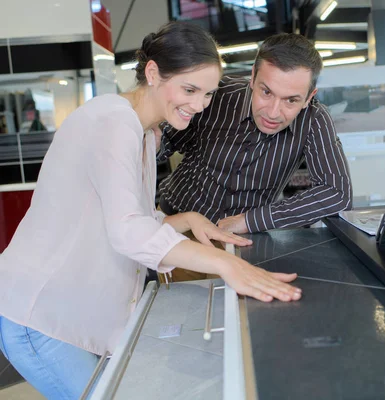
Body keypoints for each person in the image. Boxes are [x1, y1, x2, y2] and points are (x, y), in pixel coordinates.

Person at [0, 22, 301, 400]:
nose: (198, 105)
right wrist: (227, 265)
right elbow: (128, 231)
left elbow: (131, 216)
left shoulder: (146, 132)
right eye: (189, 90)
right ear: (153, 73)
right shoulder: (113, 121)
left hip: (69, 308)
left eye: (207, 94)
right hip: (39, 312)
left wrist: (186, 220)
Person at [157, 33, 352, 235]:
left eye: (291, 100)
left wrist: (250, 221)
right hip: (174, 221)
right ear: (252, 77)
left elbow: (337, 194)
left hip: (240, 237)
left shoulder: (314, 119)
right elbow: (166, 140)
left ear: (309, 97)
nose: (273, 112)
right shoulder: (218, 95)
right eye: (266, 92)